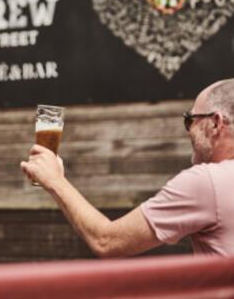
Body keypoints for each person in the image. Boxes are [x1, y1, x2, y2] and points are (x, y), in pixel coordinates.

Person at [21, 79, 234, 257]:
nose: (188, 131)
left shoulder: (208, 182)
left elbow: (106, 241)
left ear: (215, 122)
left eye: (190, 120)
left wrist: (55, 180)